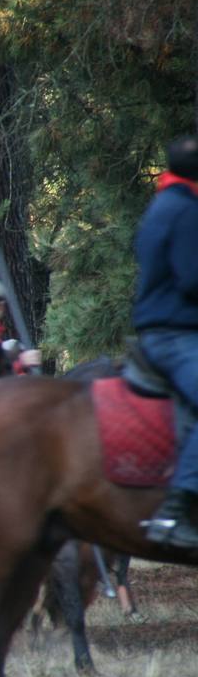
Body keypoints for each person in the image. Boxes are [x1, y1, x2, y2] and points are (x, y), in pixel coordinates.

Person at [135, 135, 198, 548]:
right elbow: (192, 279)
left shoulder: (161, 205)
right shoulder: (187, 211)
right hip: (176, 334)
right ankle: (174, 513)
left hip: (159, 330)